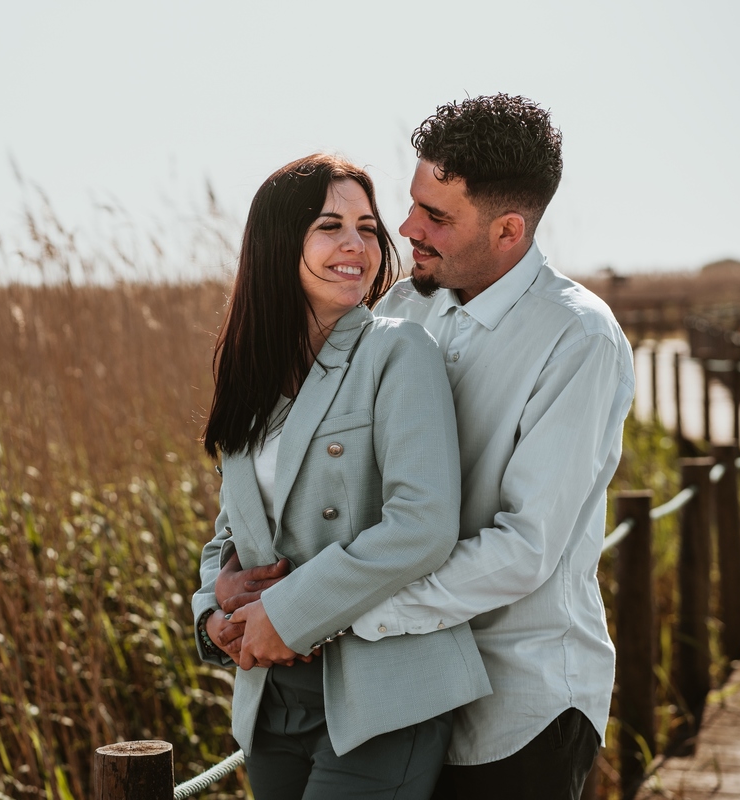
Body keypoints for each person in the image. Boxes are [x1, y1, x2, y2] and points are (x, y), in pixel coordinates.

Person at [213, 95, 636, 800]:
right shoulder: (402, 310)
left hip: (520, 700)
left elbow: (522, 549)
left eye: (436, 217)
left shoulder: (578, 339)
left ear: (508, 229)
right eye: (411, 205)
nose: (404, 228)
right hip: (387, 688)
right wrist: (231, 594)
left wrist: (328, 615)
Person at [191, 153, 491, 800]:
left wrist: (287, 613)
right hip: (271, 699)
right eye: (330, 226)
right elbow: (229, 536)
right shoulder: (252, 375)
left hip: (382, 691)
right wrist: (214, 618)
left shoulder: (397, 351)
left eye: (366, 225)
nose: (355, 245)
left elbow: (423, 526)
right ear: (279, 245)